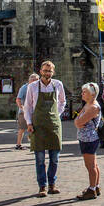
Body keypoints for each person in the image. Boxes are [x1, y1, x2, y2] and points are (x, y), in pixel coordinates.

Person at [23, 61, 66, 197]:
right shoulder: (33, 86)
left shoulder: (58, 84)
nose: (47, 73)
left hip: (54, 124)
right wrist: (29, 123)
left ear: (53, 72)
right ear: (41, 71)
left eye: (50, 71)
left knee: (54, 158)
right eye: (45, 70)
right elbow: (28, 106)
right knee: (40, 158)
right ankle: (42, 186)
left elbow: (62, 101)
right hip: (38, 124)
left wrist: (57, 114)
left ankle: (52, 184)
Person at [73, 82, 103, 200]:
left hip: (89, 139)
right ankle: (96, 186)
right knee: (93, 164)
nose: (82, 94)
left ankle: (92, 189)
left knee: (90, 166)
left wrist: (78, 122)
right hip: (86, 138)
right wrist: (78, 121)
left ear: (92, 94)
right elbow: (77, 120)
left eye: (84, 92)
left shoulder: (93, 107)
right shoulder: (87, 105)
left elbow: (78, 122)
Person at [15, 73, 38, 150]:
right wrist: (23, 108)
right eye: (35, 80)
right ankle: (18, 145)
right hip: (23, 112)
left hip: (34, 112)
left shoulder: (37, 88)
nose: (37, 82)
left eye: (37, 80)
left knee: (33, 128)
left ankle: (33, 143)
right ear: (30, 80)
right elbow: (18, 99)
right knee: (22, 128)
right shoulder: (24, 88)